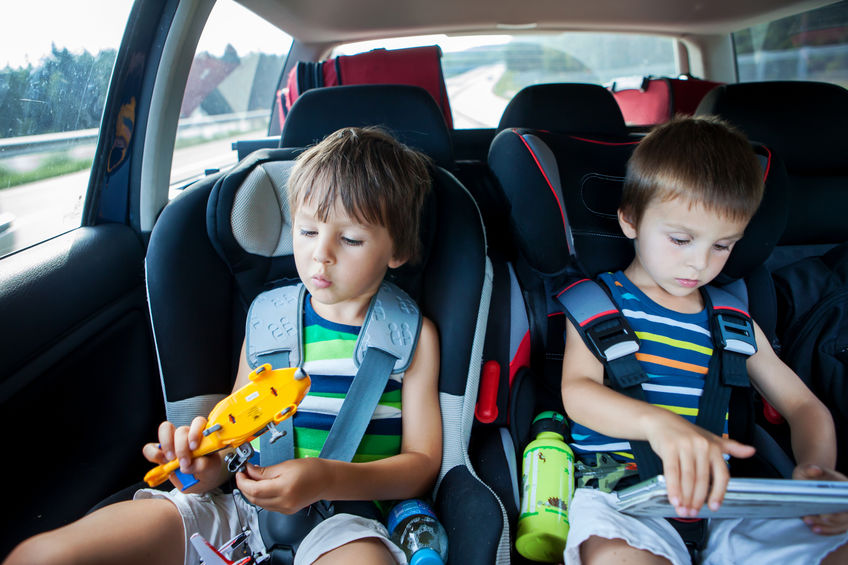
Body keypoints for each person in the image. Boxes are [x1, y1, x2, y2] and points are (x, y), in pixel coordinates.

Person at [5, 127, 441, 565]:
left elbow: (422, 465)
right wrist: (198, 466)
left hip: (346, 522)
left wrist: (326, 479)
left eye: (350, 239)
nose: (321, 254)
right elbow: (237, 441)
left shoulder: (411, 336)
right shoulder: (270, 322)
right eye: (307, 231)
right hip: (239, 509)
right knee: (42, 555)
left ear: (397, 250)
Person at [559, 116, 848, 565]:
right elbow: (578, 393)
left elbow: (805, 407)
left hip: (722, 505)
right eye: (680, 239)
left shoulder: (734, 323)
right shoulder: (599, 306)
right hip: (622, 503)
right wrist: (659, 424)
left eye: (722, 246)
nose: (698, 264)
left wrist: (817, 471)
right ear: (631, 219)